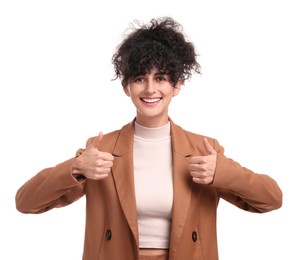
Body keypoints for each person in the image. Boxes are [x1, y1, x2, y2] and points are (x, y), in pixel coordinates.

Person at [15, 17, 282, 260]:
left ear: (176, 85)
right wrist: (75, 168)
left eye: (161, 78)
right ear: (126, 87)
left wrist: (222, 171)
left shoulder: (204, 150)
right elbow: (26, 202)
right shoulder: (100, 150)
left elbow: (271, 199)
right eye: (140, 78)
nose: (151, 89)